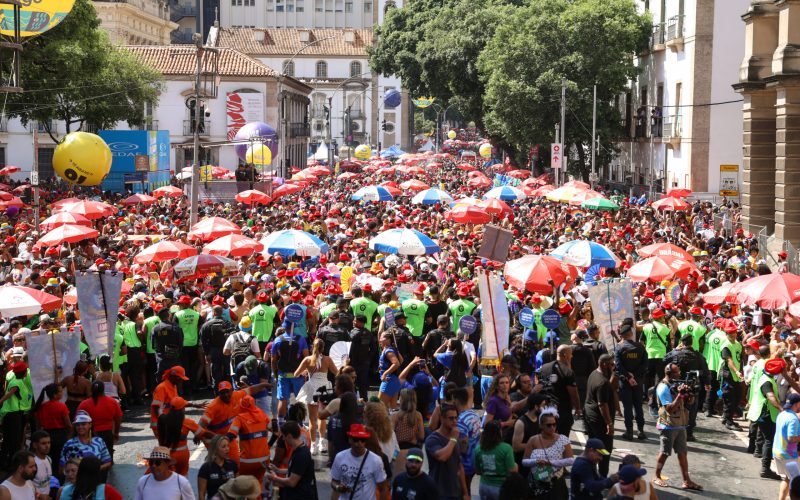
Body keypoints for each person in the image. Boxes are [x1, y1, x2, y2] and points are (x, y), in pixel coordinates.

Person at [651, 363, 703, 491]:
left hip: (680, 424)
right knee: (664, 452)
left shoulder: (677, 384)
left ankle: (686, 481)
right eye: (677, 372)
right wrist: (680, 395)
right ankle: (656, 476)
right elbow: (670, 409)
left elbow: (688, 403)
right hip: (668, 425)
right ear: (669, 374)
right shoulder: (663, 388)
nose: (679, 374)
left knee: (682, 453)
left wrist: (689, 394)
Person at [662, 332, 709, 441]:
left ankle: (675, 429)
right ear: (692, 343)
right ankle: (689, 433)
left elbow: (664, 359)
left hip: (677, 386)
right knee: (692, 410)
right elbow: (705, 371)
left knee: (675, 406)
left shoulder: (676, 354)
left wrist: (675, 350)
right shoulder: (698, 356)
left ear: (682, 343)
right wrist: (707, 383)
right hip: (692, 387)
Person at [294, 337, 337, 455]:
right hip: (324, 389)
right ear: (323, 348)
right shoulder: (327, 360)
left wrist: (304, 372)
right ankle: (322, 443)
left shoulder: (307, 360)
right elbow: (337, 373)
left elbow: (296, 374)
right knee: (321, 417)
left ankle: (313, 445)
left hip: (312, 388)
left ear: (313, 347)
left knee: (312, 419)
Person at [522, 409, 573, 499]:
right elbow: (524, 461)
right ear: (541, 426)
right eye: (549, 425)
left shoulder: (563, 440)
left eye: (554, 424)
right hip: (536, 484)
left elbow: (570, 460)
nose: (552, 427)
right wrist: (535, 461)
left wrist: (551, 462)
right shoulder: (533, 440)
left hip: (556, 485)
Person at [330, 423, 389, 500]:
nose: (359, 443)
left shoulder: (375, 460)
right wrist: (338, 487)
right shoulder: (340, 457)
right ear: (349, 439)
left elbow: (383, 488)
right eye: (355, 439)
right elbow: (334, 481)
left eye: (362, 440)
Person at [424, 403, 470, 500]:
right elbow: (442, 457)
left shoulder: (455, 436)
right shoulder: (433, 439)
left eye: (456, 418)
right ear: (442, 418)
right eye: (451, 418)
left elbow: (459, 466)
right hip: (438, 492)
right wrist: (453, 440)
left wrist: (465, 492)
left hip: (455, 492)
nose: (454, 421)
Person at [226, 394, 270, 486]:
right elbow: (276, 431)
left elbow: (230, 435)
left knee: (244, 487)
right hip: (264, 459)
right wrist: (269, 446)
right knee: (258, 485)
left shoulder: (240, 418)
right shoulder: (262, 414)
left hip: (247, 461)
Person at [267, 420, 318, 500]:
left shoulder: (301, 455)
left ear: (289, 436)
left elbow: (291, 482)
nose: (283, 439)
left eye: (284, 436)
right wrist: (278, 470)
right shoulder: (299, 448)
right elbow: (295, 470)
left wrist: (274, 478)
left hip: (300, 496)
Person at [583, 354, 615, 477]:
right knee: (604, 449)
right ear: (604, 364)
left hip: (590, 416)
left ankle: (591, 472)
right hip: (599, 421)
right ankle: (602, 475)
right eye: (611, 364)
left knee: (592, 446)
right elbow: (602, 404)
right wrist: (609, 423)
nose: (613, 367)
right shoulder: (602, 382)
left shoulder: (594, 374)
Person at [614, 323, 647, 440]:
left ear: (622, 336)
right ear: (631, 334)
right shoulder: (640, 347)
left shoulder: (619, 347)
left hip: (625, 381)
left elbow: (618, 366)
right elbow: (644, 364)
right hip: (638, 381)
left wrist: (628, 376)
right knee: (638, 405)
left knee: (627, 407)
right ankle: (641, 431)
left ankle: (629, 432)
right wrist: (635, 376)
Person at [538, 345, 580, 436]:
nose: (572, 356)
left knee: (547, 436)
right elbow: (573, 393)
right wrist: (578, 407)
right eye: (571, 354)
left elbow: (539, 385)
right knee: (562, 438)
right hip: (562, 410)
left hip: (546, 408)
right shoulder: (568, 372)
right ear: (565, 355)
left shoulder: (544, 367)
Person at [158, 396, 205, 476]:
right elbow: (203, 433)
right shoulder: (187, 422)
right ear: (183, 409)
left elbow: (159, 411)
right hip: (183, 455)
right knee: (183, 477)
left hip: (166, 455)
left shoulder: (162, 419)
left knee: (168, 477)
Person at [77, 381, 122, 461]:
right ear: (103, 389)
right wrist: (116, 433)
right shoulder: (112, 402)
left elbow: (78, 420)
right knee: (107, 457)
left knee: (92, 456)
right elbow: (118, 419)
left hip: (90, 434)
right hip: (107, 433)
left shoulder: (84, 404)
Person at [271, 326, 310, 421]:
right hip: (298, 375)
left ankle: (281, 423)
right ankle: (300, 422)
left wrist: (275, 374)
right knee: (300, 400)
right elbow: (306, 358)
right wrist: (306, 373)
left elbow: (273, 360)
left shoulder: (277, 340)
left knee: (282, 400)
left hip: (282, 374)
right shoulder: (301, 339)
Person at [59, 410, 112, 475]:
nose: (80, 427)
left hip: (94, 480)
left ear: (90, 425)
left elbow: (108, 462)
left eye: (83, 424)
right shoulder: (69, 443)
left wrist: (97, 468)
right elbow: (61, 469)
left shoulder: (99, 441)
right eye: (77, 425)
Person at [474, 420, 517, 500]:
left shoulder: (478, 449)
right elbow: (512, 471)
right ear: (499, 432)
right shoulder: (506, 448)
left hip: (484, 486)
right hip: (500, 487)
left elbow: (477, 471)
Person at [33, 383, 71, 469]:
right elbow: (68, 424)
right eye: (60, 392)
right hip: (60, 436)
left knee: (48, 459)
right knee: (59, 460)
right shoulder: (62, 406)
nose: (62, 393)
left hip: (46, 434)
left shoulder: (42, 406)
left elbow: (38, 425)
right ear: (55, 394)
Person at [391, 388, 425, 475]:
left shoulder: (395, 416)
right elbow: (421, 436)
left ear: (402, 400)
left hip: (397, 451)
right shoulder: (418, 415)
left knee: (396, 475)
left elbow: (390, 436)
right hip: (413, 449)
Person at [58, 455, 123, 500]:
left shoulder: (66, 490)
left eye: (73, 470)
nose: (70, 474)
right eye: (67, 471)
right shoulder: (105, 489)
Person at [774, 393, 800, 500]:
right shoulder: (793, 419)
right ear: (797, 404)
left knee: (787, 479)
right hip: (789, 456)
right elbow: (791, 438)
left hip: (778, 452)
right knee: (796, 484)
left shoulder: (782, 414)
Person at [174, 294, 201, 395]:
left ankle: (186, 387)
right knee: (193, 365)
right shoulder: (196, 314)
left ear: (183, 304)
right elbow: (200, 327)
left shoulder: (177, 314)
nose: (179, 305)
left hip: (183, 344)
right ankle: (193, 385)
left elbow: (175, 329)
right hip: (193, 343)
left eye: (180, 303)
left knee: (184, 367)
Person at [197, 435, 238, 500]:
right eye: (223, 446)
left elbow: (238, 489)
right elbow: (201, 495)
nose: (227, 449)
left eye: (228, 446)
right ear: (215, 449)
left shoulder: (232, 465)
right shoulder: (205, 468)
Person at [348, 315, 377, 401]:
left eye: (355, 320)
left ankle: (353, 402)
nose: (353, 322)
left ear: (361, 323)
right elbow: (373, 349)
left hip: (353, 363)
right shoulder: (368, 333)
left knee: (351, 384)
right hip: (364, 363)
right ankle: (364, 404)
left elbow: (348, 348)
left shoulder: (352, 333)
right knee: (363, 386)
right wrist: (368, 359)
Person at [378, 331, 402, 408]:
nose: (379, 339)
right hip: (394, 380)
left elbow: (397, 363)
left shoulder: (389, 351)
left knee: (379, 407)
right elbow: (401, 360)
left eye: (382, 337)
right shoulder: (389, 349)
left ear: (388, 339)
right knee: (391, 408)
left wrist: (385, 373)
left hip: (389, 381)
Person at [30, 431, 53, 499]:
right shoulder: (32, 463)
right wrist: (39, 496)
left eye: (49, 443)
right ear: (35, 445)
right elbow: (25, 485)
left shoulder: (49, 459)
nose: (47, 446)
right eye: (43, 443)